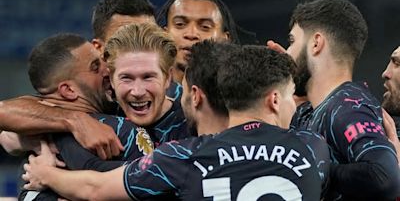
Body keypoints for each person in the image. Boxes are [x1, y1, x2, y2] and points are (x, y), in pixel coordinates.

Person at [22, 43, 330, 201]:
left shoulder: (182, 156)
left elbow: (94, 187)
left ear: (195, 95)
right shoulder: (312, 146)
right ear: (274, 98)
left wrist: (46, 173)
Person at [0, 0, 179, 160]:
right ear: (99, 49)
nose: (137, 46)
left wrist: (54, 177)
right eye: (124, 37)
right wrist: (74, 122)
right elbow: (7, 128)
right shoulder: (94, 95)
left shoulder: (185, 101)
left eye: (147, 35)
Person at [275, 0, 400, 200]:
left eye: (292, 41)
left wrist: (317, 169)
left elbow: (383, 176)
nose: (288, 52)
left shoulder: (347, 107)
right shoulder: (316, 110)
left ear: (316, 43)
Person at [157, 0, 258, 83]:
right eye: (180, 24)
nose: (191, 34)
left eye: (205, 27)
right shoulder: (146, 94)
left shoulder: (240, 98)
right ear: (164, 34)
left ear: (225, 40)